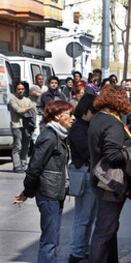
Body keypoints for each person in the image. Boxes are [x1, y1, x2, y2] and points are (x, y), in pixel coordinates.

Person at [14, 100, 74, 263]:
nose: (72, 118)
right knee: (50, 239)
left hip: (56, 191)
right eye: (69, 114)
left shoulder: (59, 135)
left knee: (53, 237)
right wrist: (27, 191)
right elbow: (34, 167)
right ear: (57, 116)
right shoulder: (49, 137)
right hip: (49, 193)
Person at [88, 85, 131, 263]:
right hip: (110, 183)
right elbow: (113, 155)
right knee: (105, 229)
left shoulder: (98, 118)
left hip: (99, 180)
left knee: (108, 228)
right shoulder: (112, 123)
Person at [68, 94, 97, 263]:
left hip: (86, 173)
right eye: (94, 111)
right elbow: (87, 152)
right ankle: (77, 251)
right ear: (86, 111)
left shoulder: (84, 126)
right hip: (84, 174)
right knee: (83, 218)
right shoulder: (79, 128)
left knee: (87, 217)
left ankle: (82, 249)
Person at [8, 82, 37, 172]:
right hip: (17, 125)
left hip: (27, 126)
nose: (20, 91)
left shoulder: (27, 100)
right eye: (19, 89)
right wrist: (29, 108)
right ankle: (17, 166)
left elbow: (33, 112)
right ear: (15, 90)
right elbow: (18, 110)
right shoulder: (12, 100)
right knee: (18, 146)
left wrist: (33, 124)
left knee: (26, 145)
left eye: (22, 89)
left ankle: (23, 163)